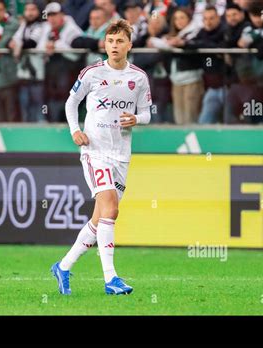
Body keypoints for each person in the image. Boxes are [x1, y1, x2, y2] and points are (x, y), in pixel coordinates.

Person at [52, 19, 152, 295]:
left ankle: (63, 266)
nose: (114, 46)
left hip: (121, 154)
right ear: (104, 44)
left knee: (100, 219)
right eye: (110, 41)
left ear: (130, 45)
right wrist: (74, 131)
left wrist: (136, 118)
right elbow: (71, 103)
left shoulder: (139, 78)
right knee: (111, 209)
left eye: (120, 41)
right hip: (95, 152)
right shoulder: (92, 73)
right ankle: (111, 279)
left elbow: (147, 113)